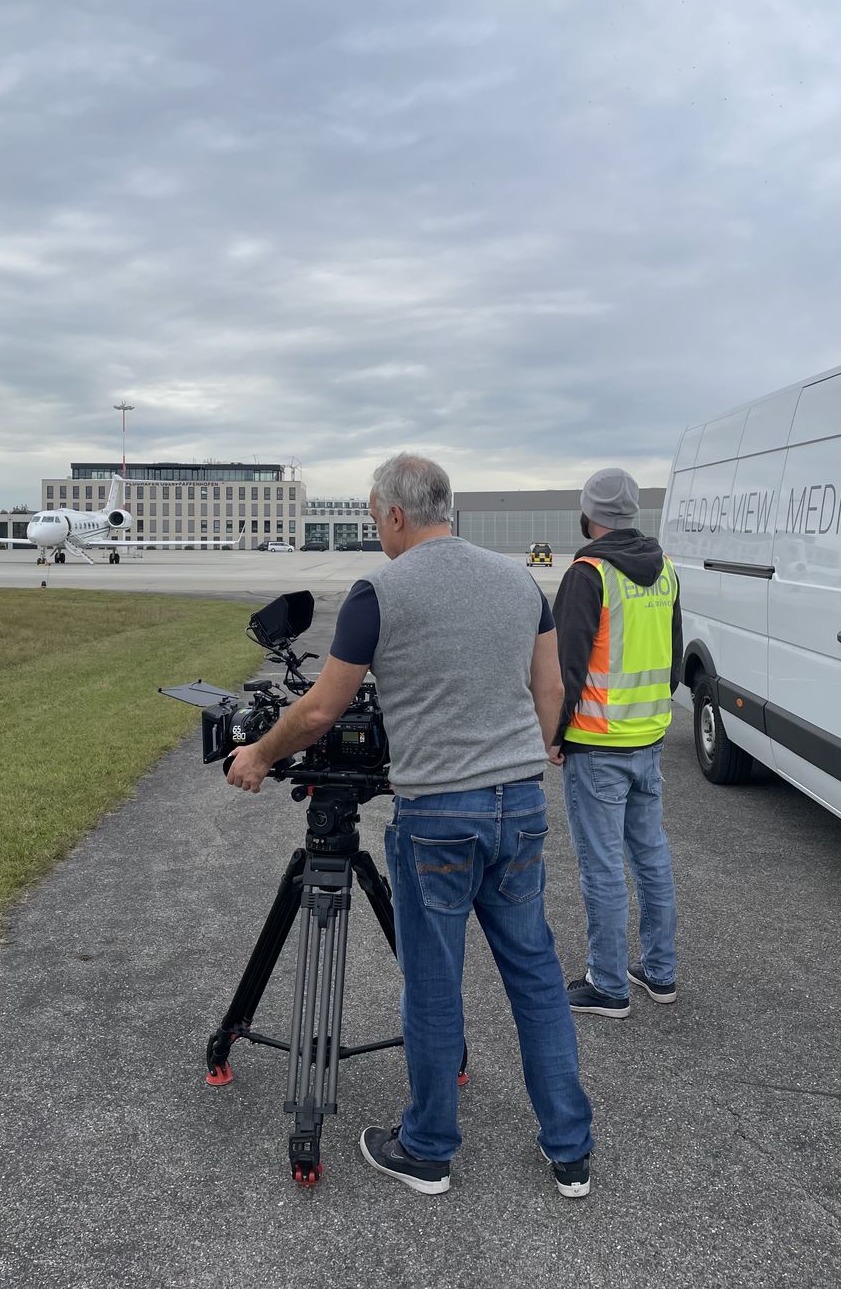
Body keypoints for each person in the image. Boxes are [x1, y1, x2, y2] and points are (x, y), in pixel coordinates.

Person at [226, 453, 594, 1199]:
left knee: (433, 986)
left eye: (373, 517)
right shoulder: (520, 580)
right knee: (536, 977)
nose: (375, 530)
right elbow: (549, 685)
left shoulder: (379, 591)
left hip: (437, 816)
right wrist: (541, 745)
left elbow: (324, 708)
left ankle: (428, 1148)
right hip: (519, 803)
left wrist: (261, 754)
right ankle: (570, 1150)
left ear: (395, 514)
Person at [551, 468, 682, 1019]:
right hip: (648, 737)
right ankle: (660, 971)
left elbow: (565, 668)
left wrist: (554, 735)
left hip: (597, 742)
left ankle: (607, 984)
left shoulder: (588, 574)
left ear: (590, 514)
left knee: (601, 865)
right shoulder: (666, 569)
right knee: (650, 856)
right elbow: (673, 662)